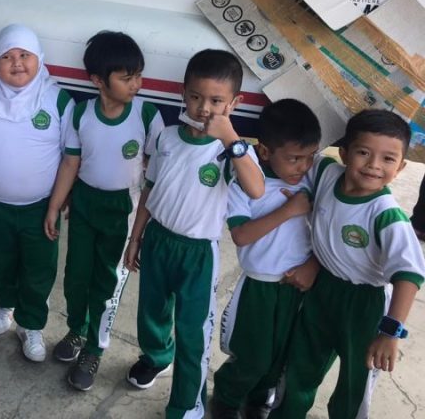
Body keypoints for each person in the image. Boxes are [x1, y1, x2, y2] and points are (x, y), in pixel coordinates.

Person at [123, 49, 264, 417]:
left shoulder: (231, 151)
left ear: (234, 103)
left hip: (198, 252)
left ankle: (188, 404)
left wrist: (231, 139)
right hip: (158, 240)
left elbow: (256, 189)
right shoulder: (167, 137)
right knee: (151, 312)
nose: (204, 108)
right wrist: (136, 237)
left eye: (216, 101)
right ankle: (156, 357)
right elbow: (150, 190)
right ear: (183, 93)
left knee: (192, 333)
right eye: (196, 97)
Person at [269, 110, 425, 419]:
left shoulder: (387, 215)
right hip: (323, 291)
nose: (374, 165)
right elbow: (300, 151)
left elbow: (409, 275)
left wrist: (390, 332)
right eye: (363, 152)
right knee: (300, 365)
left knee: (355, 382)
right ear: (343, 153)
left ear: (401, 167)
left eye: (388, 159)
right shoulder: (326, 173)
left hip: (366, 304)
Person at [44, 31, 164, 391]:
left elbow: (158, 170)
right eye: (127, 78)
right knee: (76, 276)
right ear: (98, 81)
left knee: (106, 283)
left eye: (138, 75)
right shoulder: (81, 113)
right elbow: (71, 162)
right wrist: (54, 206)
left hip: (122, 209)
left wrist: (142, 227)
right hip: (84, 204)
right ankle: (76, 330)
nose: (137, 85)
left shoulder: (146, 115)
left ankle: (95, 348)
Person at [211, 99, 322, 419]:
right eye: (294, 158)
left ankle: (258, 400)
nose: (303, 166)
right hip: (259, 286)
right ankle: (226, 399)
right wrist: (289, 210)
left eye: (310, 156)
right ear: (264, 151)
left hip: (296, 285)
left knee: (280, 356)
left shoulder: (311, 178)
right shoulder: (245, 183)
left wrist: (311, 265)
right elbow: (241, 235)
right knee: (253, 356)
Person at [0, 24, 75, 362]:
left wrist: (56, 204)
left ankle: (31, 324)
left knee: (38, 268)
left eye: (24, 55)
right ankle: (5, 305)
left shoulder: (57, 99)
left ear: (39, 58)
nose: (16, 63)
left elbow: (70, 157)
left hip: (40, 207)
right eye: (6, 56)